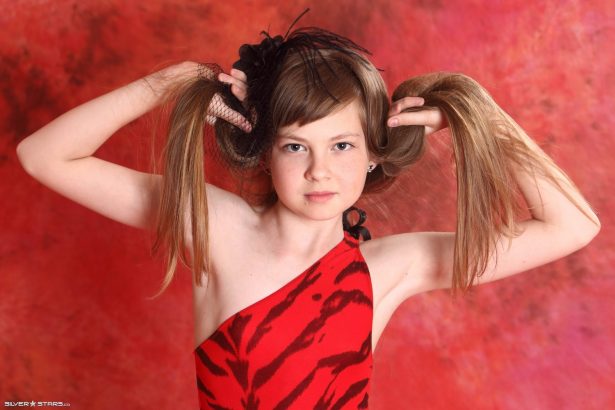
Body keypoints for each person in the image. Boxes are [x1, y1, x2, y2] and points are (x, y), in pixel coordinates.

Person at [16, 17, 600, 410]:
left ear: (372, 154)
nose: (320, 170)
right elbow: (44, 156)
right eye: (296, 146)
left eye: (341, 145)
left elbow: (574, 226)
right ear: (264, 151)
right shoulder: (215, 226)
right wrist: (169, 83)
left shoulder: (388, 268)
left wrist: (479, 116)